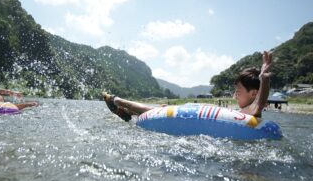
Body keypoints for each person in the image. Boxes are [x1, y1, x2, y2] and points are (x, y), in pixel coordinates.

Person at [103, 51, 273, 121]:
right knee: (156, 108)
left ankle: (117, 100)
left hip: (193, 117)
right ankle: (126, 113)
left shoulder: (250, 112)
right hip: (192, 111)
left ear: (253, 93)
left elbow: (259, 104)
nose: (235, 95)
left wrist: (264, 77)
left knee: (151, 110)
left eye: (239, 91)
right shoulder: (243, 111)